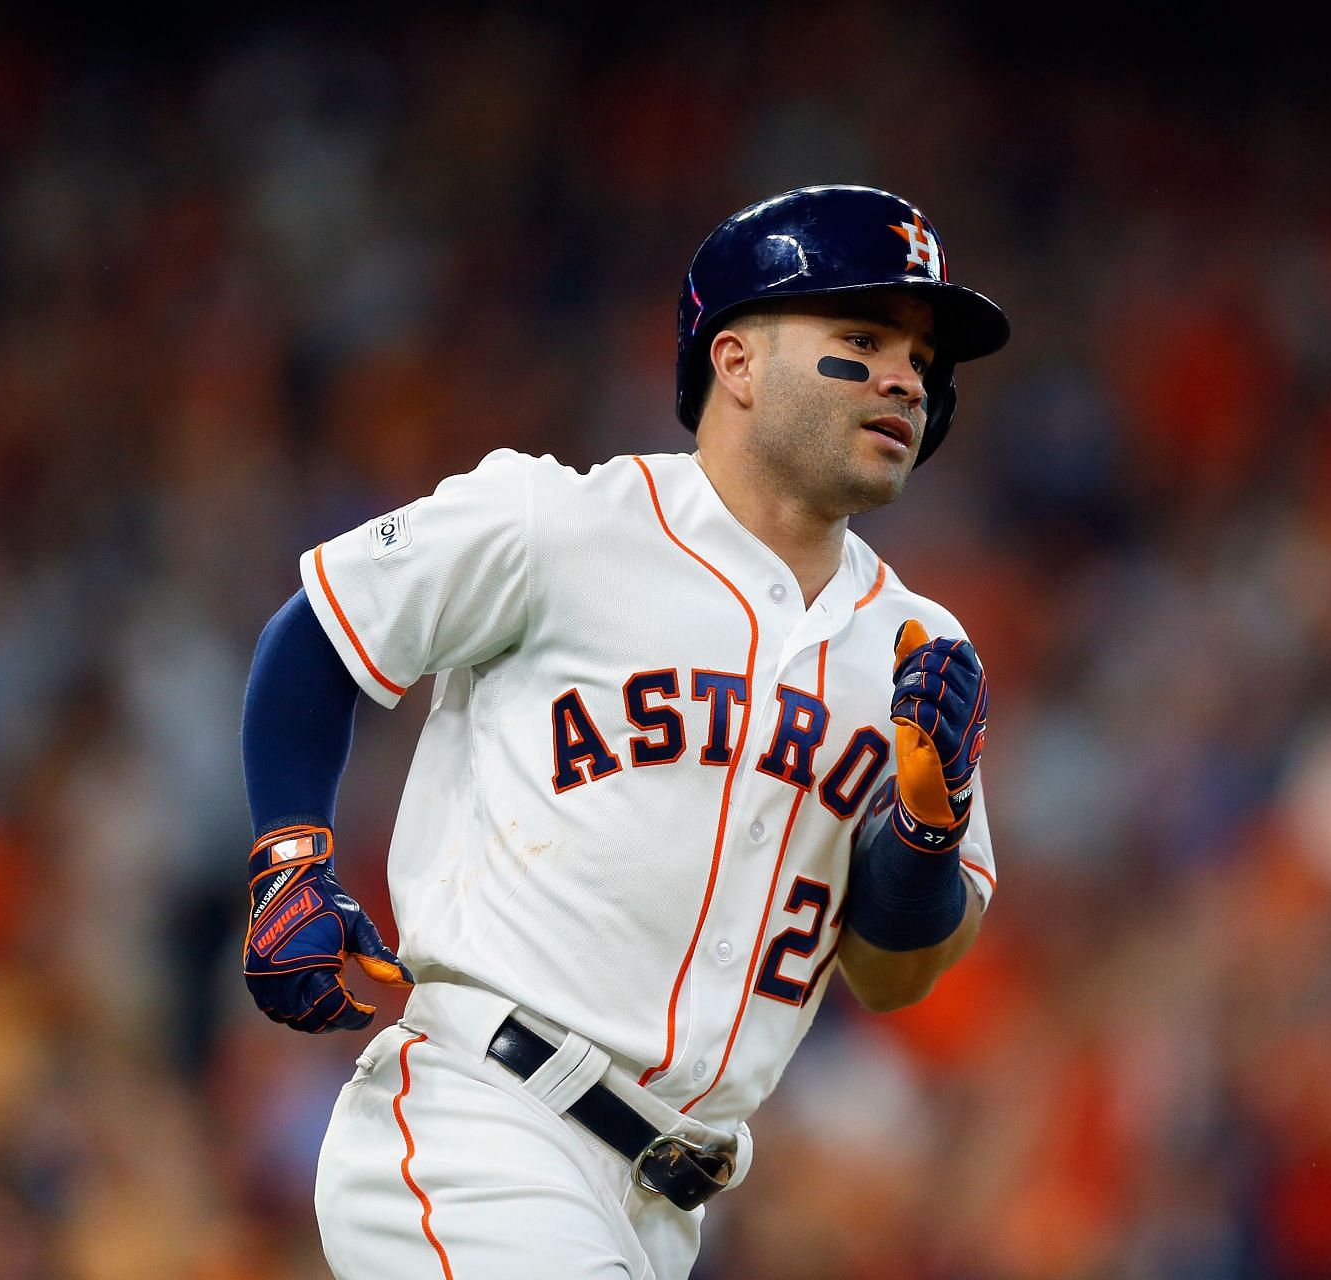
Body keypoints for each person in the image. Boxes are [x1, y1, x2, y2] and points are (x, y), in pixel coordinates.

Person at [238, 185, 1008, 1279]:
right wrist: (287, 854)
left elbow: (894, 974)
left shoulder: (921, 647)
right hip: (483, 1125)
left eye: (924, 356)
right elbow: (320, 627)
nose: (907, 376)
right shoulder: (564, 522)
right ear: (735, 362)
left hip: (662, 1207)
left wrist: (926, 830)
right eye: (862, 336)